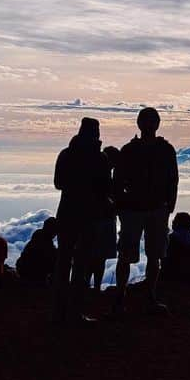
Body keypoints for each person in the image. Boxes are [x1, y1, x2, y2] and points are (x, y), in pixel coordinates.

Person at [112, 107, 179, 315]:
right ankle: (130, 298)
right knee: (139, 255)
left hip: (148, 209)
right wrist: (169, 204)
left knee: (150, 255)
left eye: (152, 122)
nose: (150, 126)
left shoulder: (134, 150)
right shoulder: (160, 150)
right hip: (143, 209)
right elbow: (172, 179)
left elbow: (172, 179)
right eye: (148, 122)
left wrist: (169, 205)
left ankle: (133, 298)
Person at [53, 117, 112, 323]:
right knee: (81, 264)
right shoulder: (101, 159)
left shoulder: (66, 154)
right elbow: (106, 190)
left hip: (67, 213)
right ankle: (75, 311)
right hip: (89, 216)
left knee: (63, 261)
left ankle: (58, 310)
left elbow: (58, 183)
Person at [89, 145, 120, 291]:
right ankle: (94, 287)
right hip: (103, 220)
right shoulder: (106, 178)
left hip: (97, 219)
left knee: (94, 256)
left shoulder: (95, 175)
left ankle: (89, 286)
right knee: (98, 257)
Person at [16, 217, 59, 285]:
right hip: (33, 273)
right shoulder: (45, 242)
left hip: (24, 270)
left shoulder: (38, 236)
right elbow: (47, 257)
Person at [162, 212, 190, 287]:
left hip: (172, 278)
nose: (172, 222)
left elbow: (164, 259)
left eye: (175, 221)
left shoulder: (171, 239)